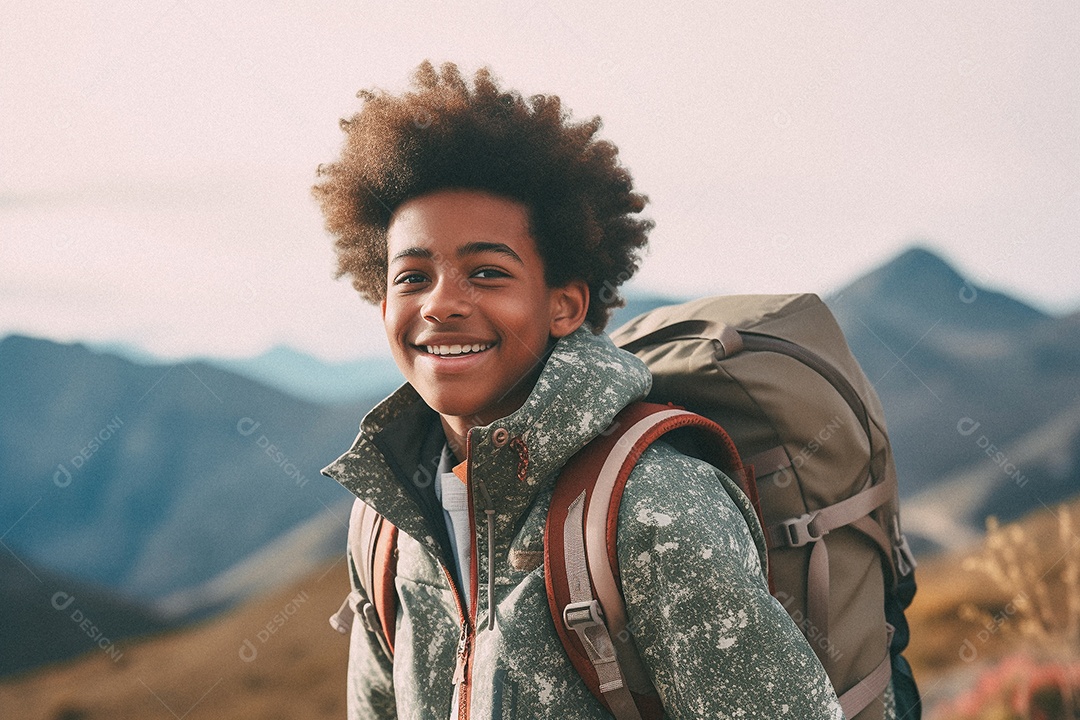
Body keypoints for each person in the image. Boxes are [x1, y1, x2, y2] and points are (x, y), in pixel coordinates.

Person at [315, 61, 845, 719]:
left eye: (485, 272)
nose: (442, 304)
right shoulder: (386, 521)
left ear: (563, 305)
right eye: (412, 277)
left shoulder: (655, 508)